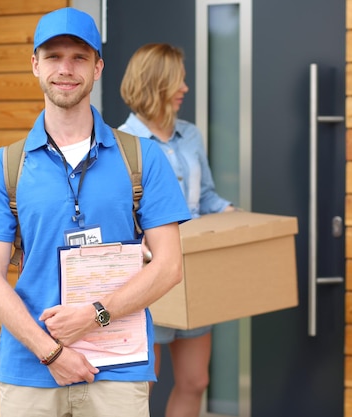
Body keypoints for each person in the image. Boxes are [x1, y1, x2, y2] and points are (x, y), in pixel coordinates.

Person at [0, 8, 191, 417]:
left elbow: (170, 266)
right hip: (30, 372)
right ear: (35, 64)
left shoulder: (141, 157)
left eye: (79, 57)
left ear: (98, 67)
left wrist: (95, 315)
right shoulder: (4, 166)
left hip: (120, 368)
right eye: (53, 56)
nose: (65, 69)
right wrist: (51, 353)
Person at [119, 43, 235, 417]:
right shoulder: (121, 144)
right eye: (177, 79)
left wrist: (235, 216)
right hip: (146, 277)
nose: (185, 87)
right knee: (143, 386)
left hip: (194, 273)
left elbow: (206, 197)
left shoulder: (191, 136)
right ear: (155, 83)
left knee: (195, 380)